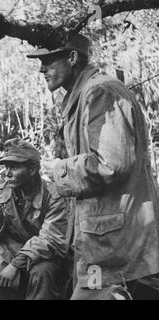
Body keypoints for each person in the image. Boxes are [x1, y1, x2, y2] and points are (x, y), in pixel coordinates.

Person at [28, 33, 159, 299]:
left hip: (116, 250)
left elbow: (110, 164)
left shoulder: (101, 92)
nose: (42, 69)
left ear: (72, 57)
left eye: (49, 61)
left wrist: (59, 170)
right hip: (101, 245)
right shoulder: (86, 94)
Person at [0, 138, 68, 300]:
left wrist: (16, 264)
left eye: (14, 167)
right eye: (6, 167)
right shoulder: (2, 193)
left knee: (42, 273)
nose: (7, 173)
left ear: (33, 170)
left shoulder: (53, 196)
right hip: (10, 248)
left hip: (43, 254)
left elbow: (51, 239)